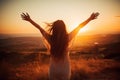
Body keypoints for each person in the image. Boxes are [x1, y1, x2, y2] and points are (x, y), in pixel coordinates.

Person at [21, 12, 99, 80]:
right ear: (63, 28)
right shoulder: (67, 38)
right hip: (65, 70)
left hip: (53, 70)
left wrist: (30, 20)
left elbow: (40, 28)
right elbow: (79, 27)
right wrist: (90, 19)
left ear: (54, 29)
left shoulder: (50, 39)